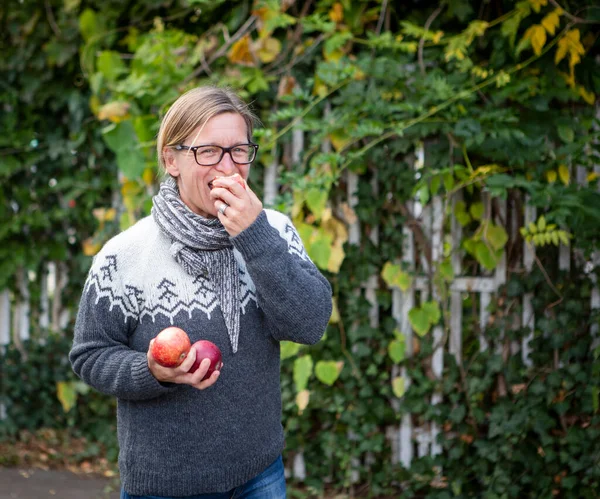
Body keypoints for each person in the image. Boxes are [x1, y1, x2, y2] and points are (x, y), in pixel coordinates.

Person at [69, 86, 332, 498]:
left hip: (260, 473)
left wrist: (254, 236)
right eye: (208, 151)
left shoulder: (274, 231)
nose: (228, 167)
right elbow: (90, 355)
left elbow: (309, 324)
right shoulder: (125, 255)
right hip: (164, 484)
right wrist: (151, 371)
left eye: (239, 150)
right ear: (171, 159)